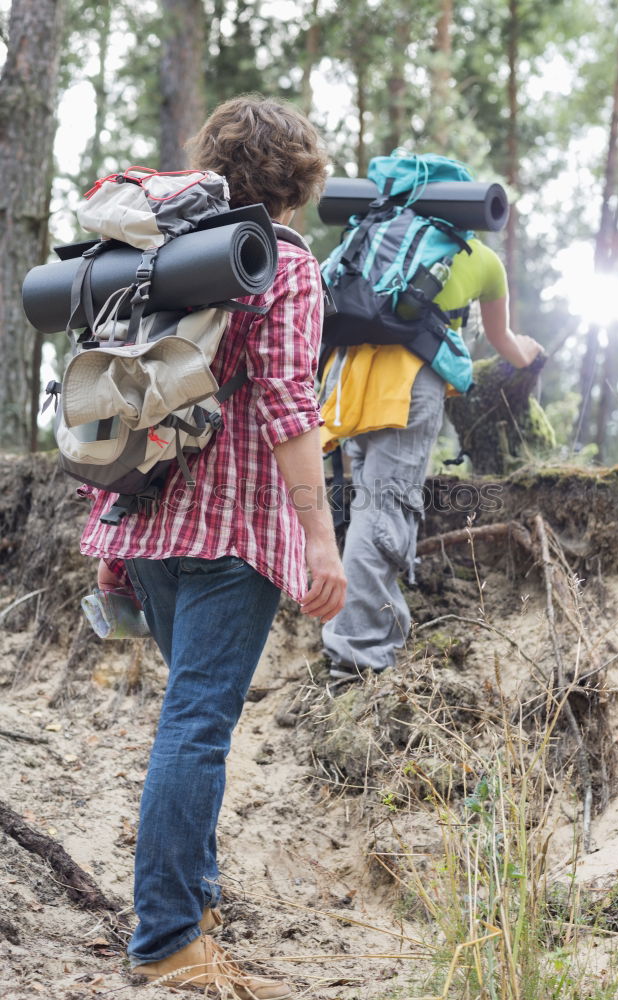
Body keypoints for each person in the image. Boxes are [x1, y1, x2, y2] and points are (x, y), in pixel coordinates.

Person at [80, 95, 346, 997]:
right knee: (196, 729)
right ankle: (166, 943)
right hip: (237, 533)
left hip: (151, 521)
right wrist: (322, 538)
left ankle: (195, 905)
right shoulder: (286, 264)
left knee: (186, 724)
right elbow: (284, 403)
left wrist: (113, 531)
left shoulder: (159, 258)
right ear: (301, 176)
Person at [319, 219, 541, 680]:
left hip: (345, 380)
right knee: (383, 512)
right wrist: (531, 355)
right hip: (405, 387)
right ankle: (357, 657)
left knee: (368, 506)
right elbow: (504, 343)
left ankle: (362, 634)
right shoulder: (479, 257)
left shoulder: (373, 236)